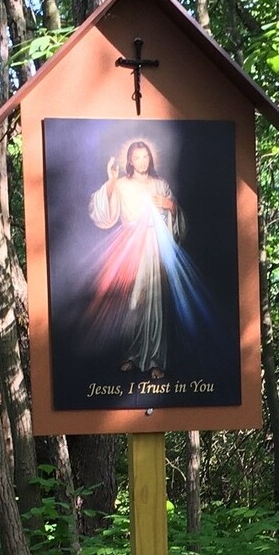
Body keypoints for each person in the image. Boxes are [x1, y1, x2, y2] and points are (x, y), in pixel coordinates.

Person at [86, 140, 186, 380]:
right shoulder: (121, 185)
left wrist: (170, 206)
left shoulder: (161, 185)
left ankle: (156, 360)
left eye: (145, 157)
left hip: (156, 248)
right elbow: (103, 213)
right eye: (137, 158)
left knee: (157, 306)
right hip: (132, 248)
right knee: (132, 303)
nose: (142, 162)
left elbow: (178, 221)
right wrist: (111, 179)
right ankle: (131, 354)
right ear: (130, 161)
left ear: (150, 158)